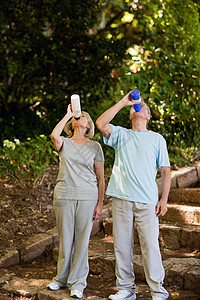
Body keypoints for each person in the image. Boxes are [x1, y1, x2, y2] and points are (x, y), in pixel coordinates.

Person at [96, 91, 171, 300]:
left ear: (148, 117)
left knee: (150, 245)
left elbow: (166, 171)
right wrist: (123, 101)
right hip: (121, 197)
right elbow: (100, 123)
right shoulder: (121, 134)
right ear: (131, 114)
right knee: (121, 245)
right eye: (136, 107)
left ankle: (157, 290)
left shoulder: (157, 139)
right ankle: (126, 290)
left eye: (143, 107)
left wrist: (164, 199)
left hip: (148, 201)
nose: (139, 108)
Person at [48, 104, 105, 299]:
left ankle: (78, 282)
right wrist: (68, 114)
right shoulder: (64, 142)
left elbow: (101, 177)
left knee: (81, 242)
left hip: (88, 196)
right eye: (76, 117)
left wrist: (100, 204)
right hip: (64, 195)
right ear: (72, 123)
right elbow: (54, 136)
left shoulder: (95, 146)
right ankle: (60, 279)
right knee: (65, 241)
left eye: (83, 117)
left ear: (88, 125)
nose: (79, 118)